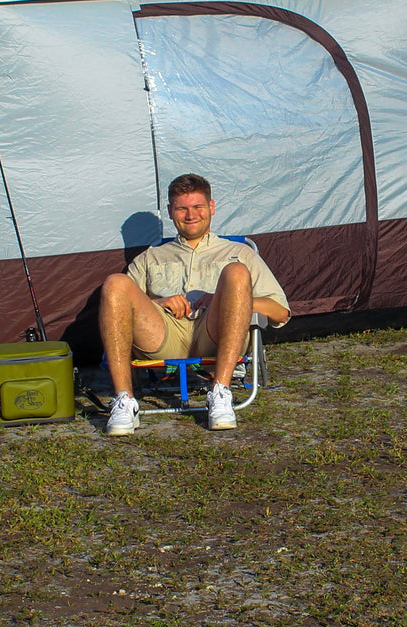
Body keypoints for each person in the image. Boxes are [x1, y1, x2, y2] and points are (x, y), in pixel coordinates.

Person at [99, 173, 290, 434]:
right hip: (164, 335)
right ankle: (124, 400)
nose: (191, 215)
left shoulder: (240, 253)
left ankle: (220, 393)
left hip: (215, 334)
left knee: (235, 272)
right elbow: (120, 306)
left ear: (211, 207)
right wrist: (157, 302)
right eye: (182, 209)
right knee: (114, 283)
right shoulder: (151, 258)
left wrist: (231, 300)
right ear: (170, 211)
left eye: (198, 207)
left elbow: (280, 313)